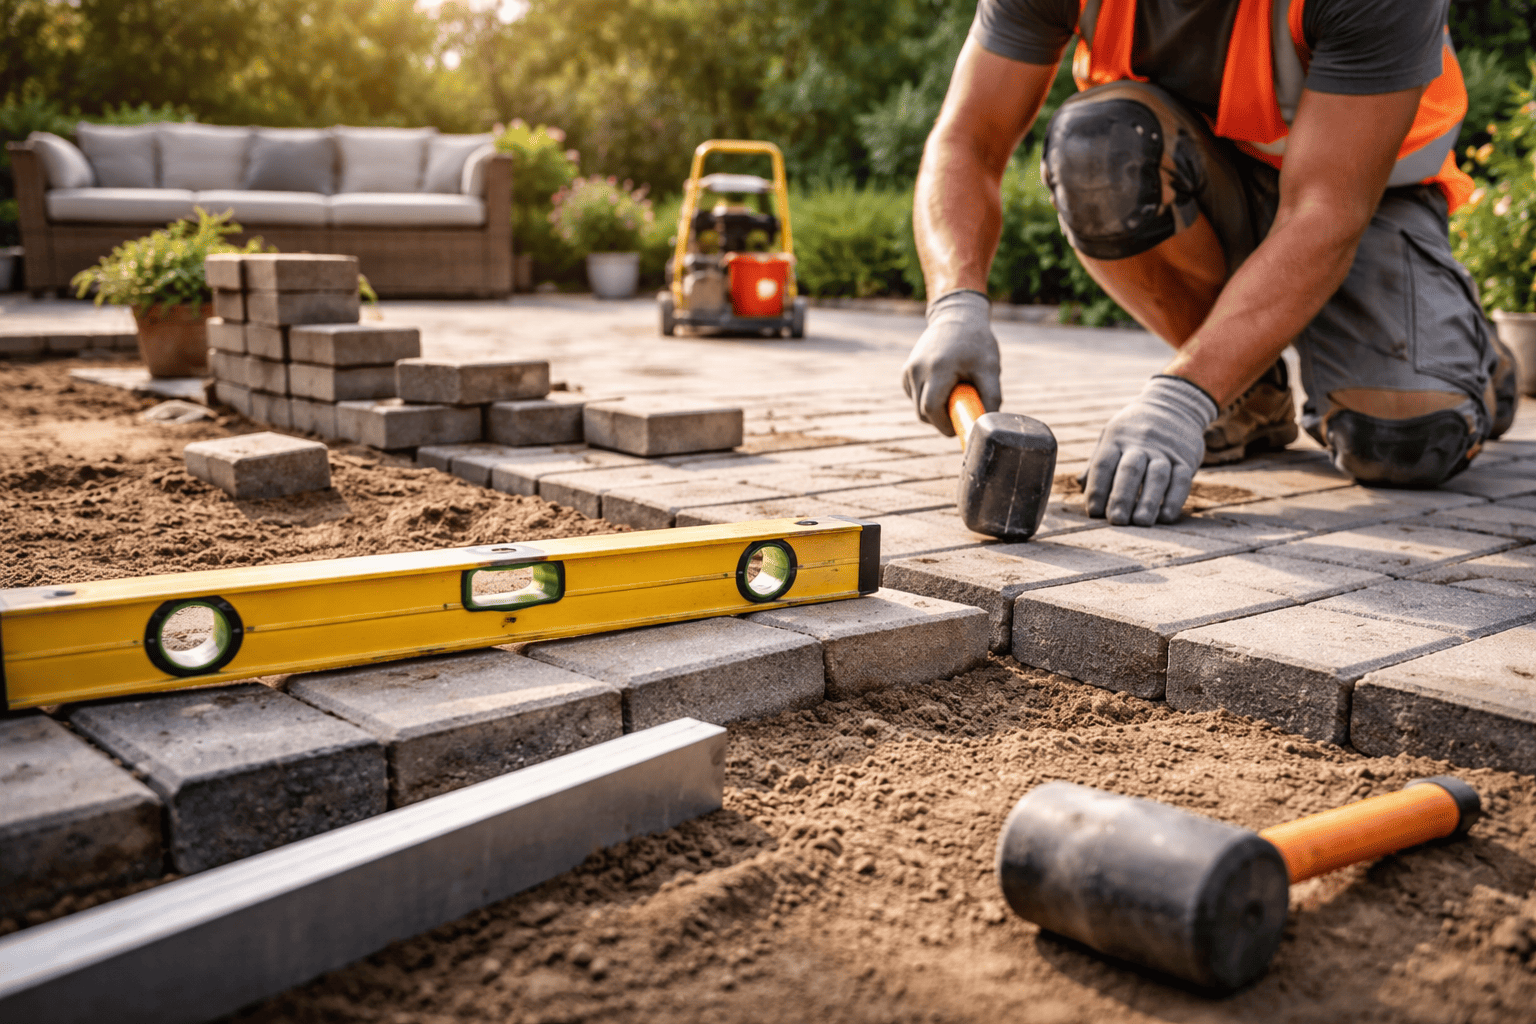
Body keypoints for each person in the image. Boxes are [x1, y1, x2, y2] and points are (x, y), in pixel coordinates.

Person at [901, 0, 1518, 527]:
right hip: (1208, 179)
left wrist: (1180, 398)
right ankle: (1247, 396)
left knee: (1403, 443)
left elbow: (1325, 213)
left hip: (1363, 197)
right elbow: (966, 141)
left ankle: (1470, 356)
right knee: (1099, 148)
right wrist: (955, 304)